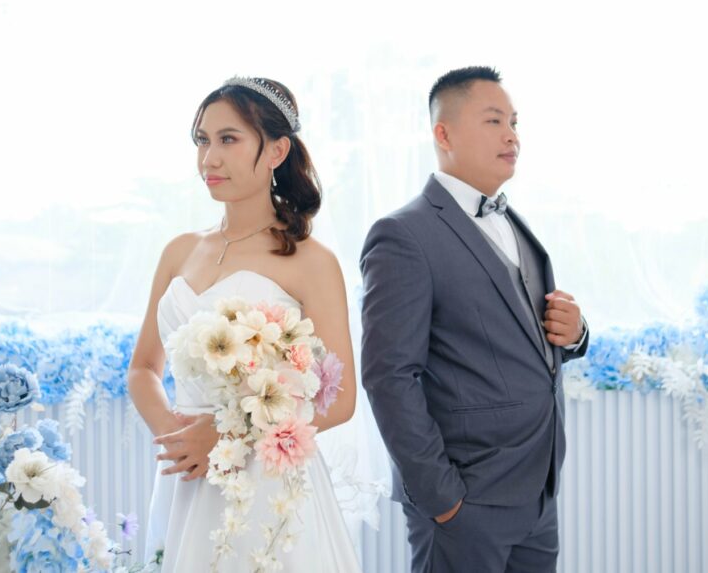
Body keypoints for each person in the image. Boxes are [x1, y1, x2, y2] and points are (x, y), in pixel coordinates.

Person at [360, 66, 589, 572]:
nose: (512, 136)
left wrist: (575, 335)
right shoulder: (403, 235)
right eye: (493, 121)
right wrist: (442, 498)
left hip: (537, 493)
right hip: (464, 502)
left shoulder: (514, 222)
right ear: (444, 135)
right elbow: (388, 375)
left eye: (514, 122)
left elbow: (521, 342)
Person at [128, 76, 361, 572]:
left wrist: (227, 436)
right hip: (188, 476)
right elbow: (143, 368)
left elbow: (339, 401)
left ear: (277, 150)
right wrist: (176, 436)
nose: (209, 159)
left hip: (268, 481)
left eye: (228, 139)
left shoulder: (311, 261)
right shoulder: (179, 251)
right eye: (202, 140)